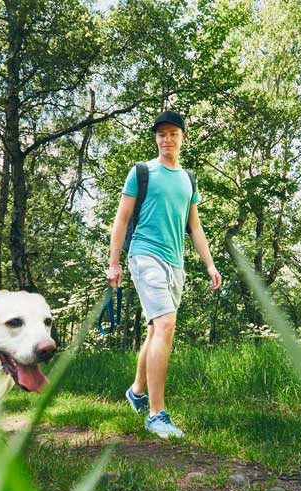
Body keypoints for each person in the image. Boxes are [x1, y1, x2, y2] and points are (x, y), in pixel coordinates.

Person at [106, 110, 222, 439]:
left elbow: (194, 226)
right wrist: (114, 263)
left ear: (183, 137)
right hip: (144, 255)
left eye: (172, 133)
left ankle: (137, 393)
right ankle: (156, 413)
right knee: (167, 324)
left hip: (175, 263)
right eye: (161, 134)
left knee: (156, 329)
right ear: (155, 138)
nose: (166, 139)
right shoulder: (142, 172)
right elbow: (122, 218)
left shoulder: (188, 179)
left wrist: (210, 264)